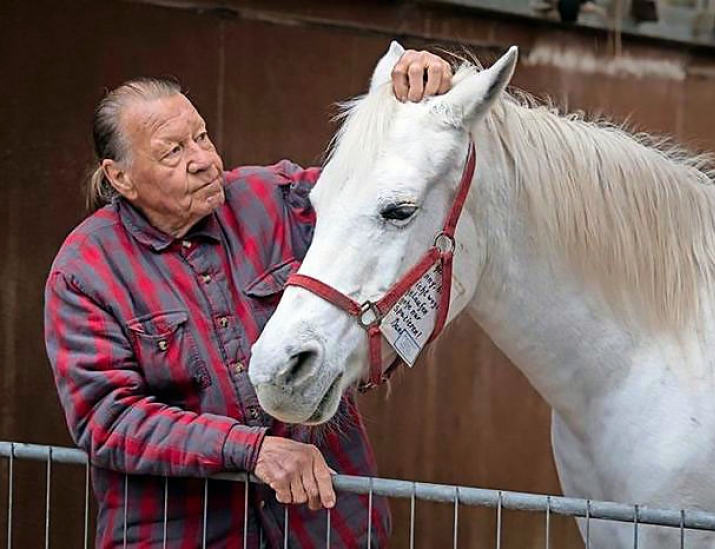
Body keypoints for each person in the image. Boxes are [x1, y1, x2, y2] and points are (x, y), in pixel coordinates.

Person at [44, 49, 453, 548]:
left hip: (324, 528)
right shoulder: (86, 270)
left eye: (201, 136)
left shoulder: (276, 200)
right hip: (181, 534)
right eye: (172, 152)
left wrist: (408, 90)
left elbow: (380, 198)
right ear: (120, 177)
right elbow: (107, 418)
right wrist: (249, 450)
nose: (203, 160)